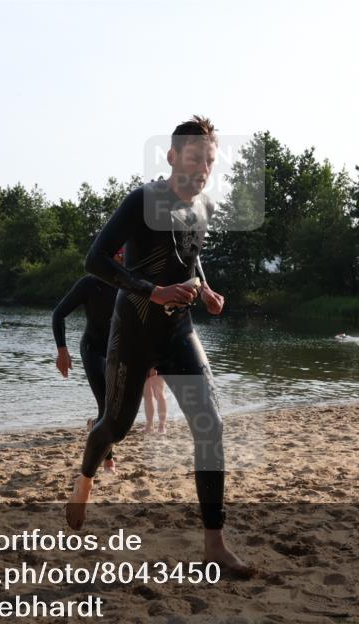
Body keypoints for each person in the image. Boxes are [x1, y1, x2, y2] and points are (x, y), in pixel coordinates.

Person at [65, 115, 252, 577]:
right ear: (172, 158)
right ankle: (84, 480)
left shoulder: (202, 209)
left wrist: (203, 288)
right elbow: (94, 260)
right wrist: (152, 290)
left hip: (179, 329)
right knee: (116, 424)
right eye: (194, 159)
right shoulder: (141, 201)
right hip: (133, 329)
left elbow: (189, 256)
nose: (203, 169)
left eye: (210, 160)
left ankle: (214, 545)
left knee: (210, 426)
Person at [52, 249, 123, 473]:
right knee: (106, 404)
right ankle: (108, 460)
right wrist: (62, 350)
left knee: (117, 411)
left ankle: (94, 425)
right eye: (120, 253)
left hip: (117, 352)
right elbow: (59, 314)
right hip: (92, 350)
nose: (123, 258)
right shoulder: (89, 284)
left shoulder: (131, 285)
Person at [143, 368, 167, 435]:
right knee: (149, 395)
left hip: (154, 364)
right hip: (151, 364)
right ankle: (152, 425)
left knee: (157, 394)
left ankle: (159, 426)